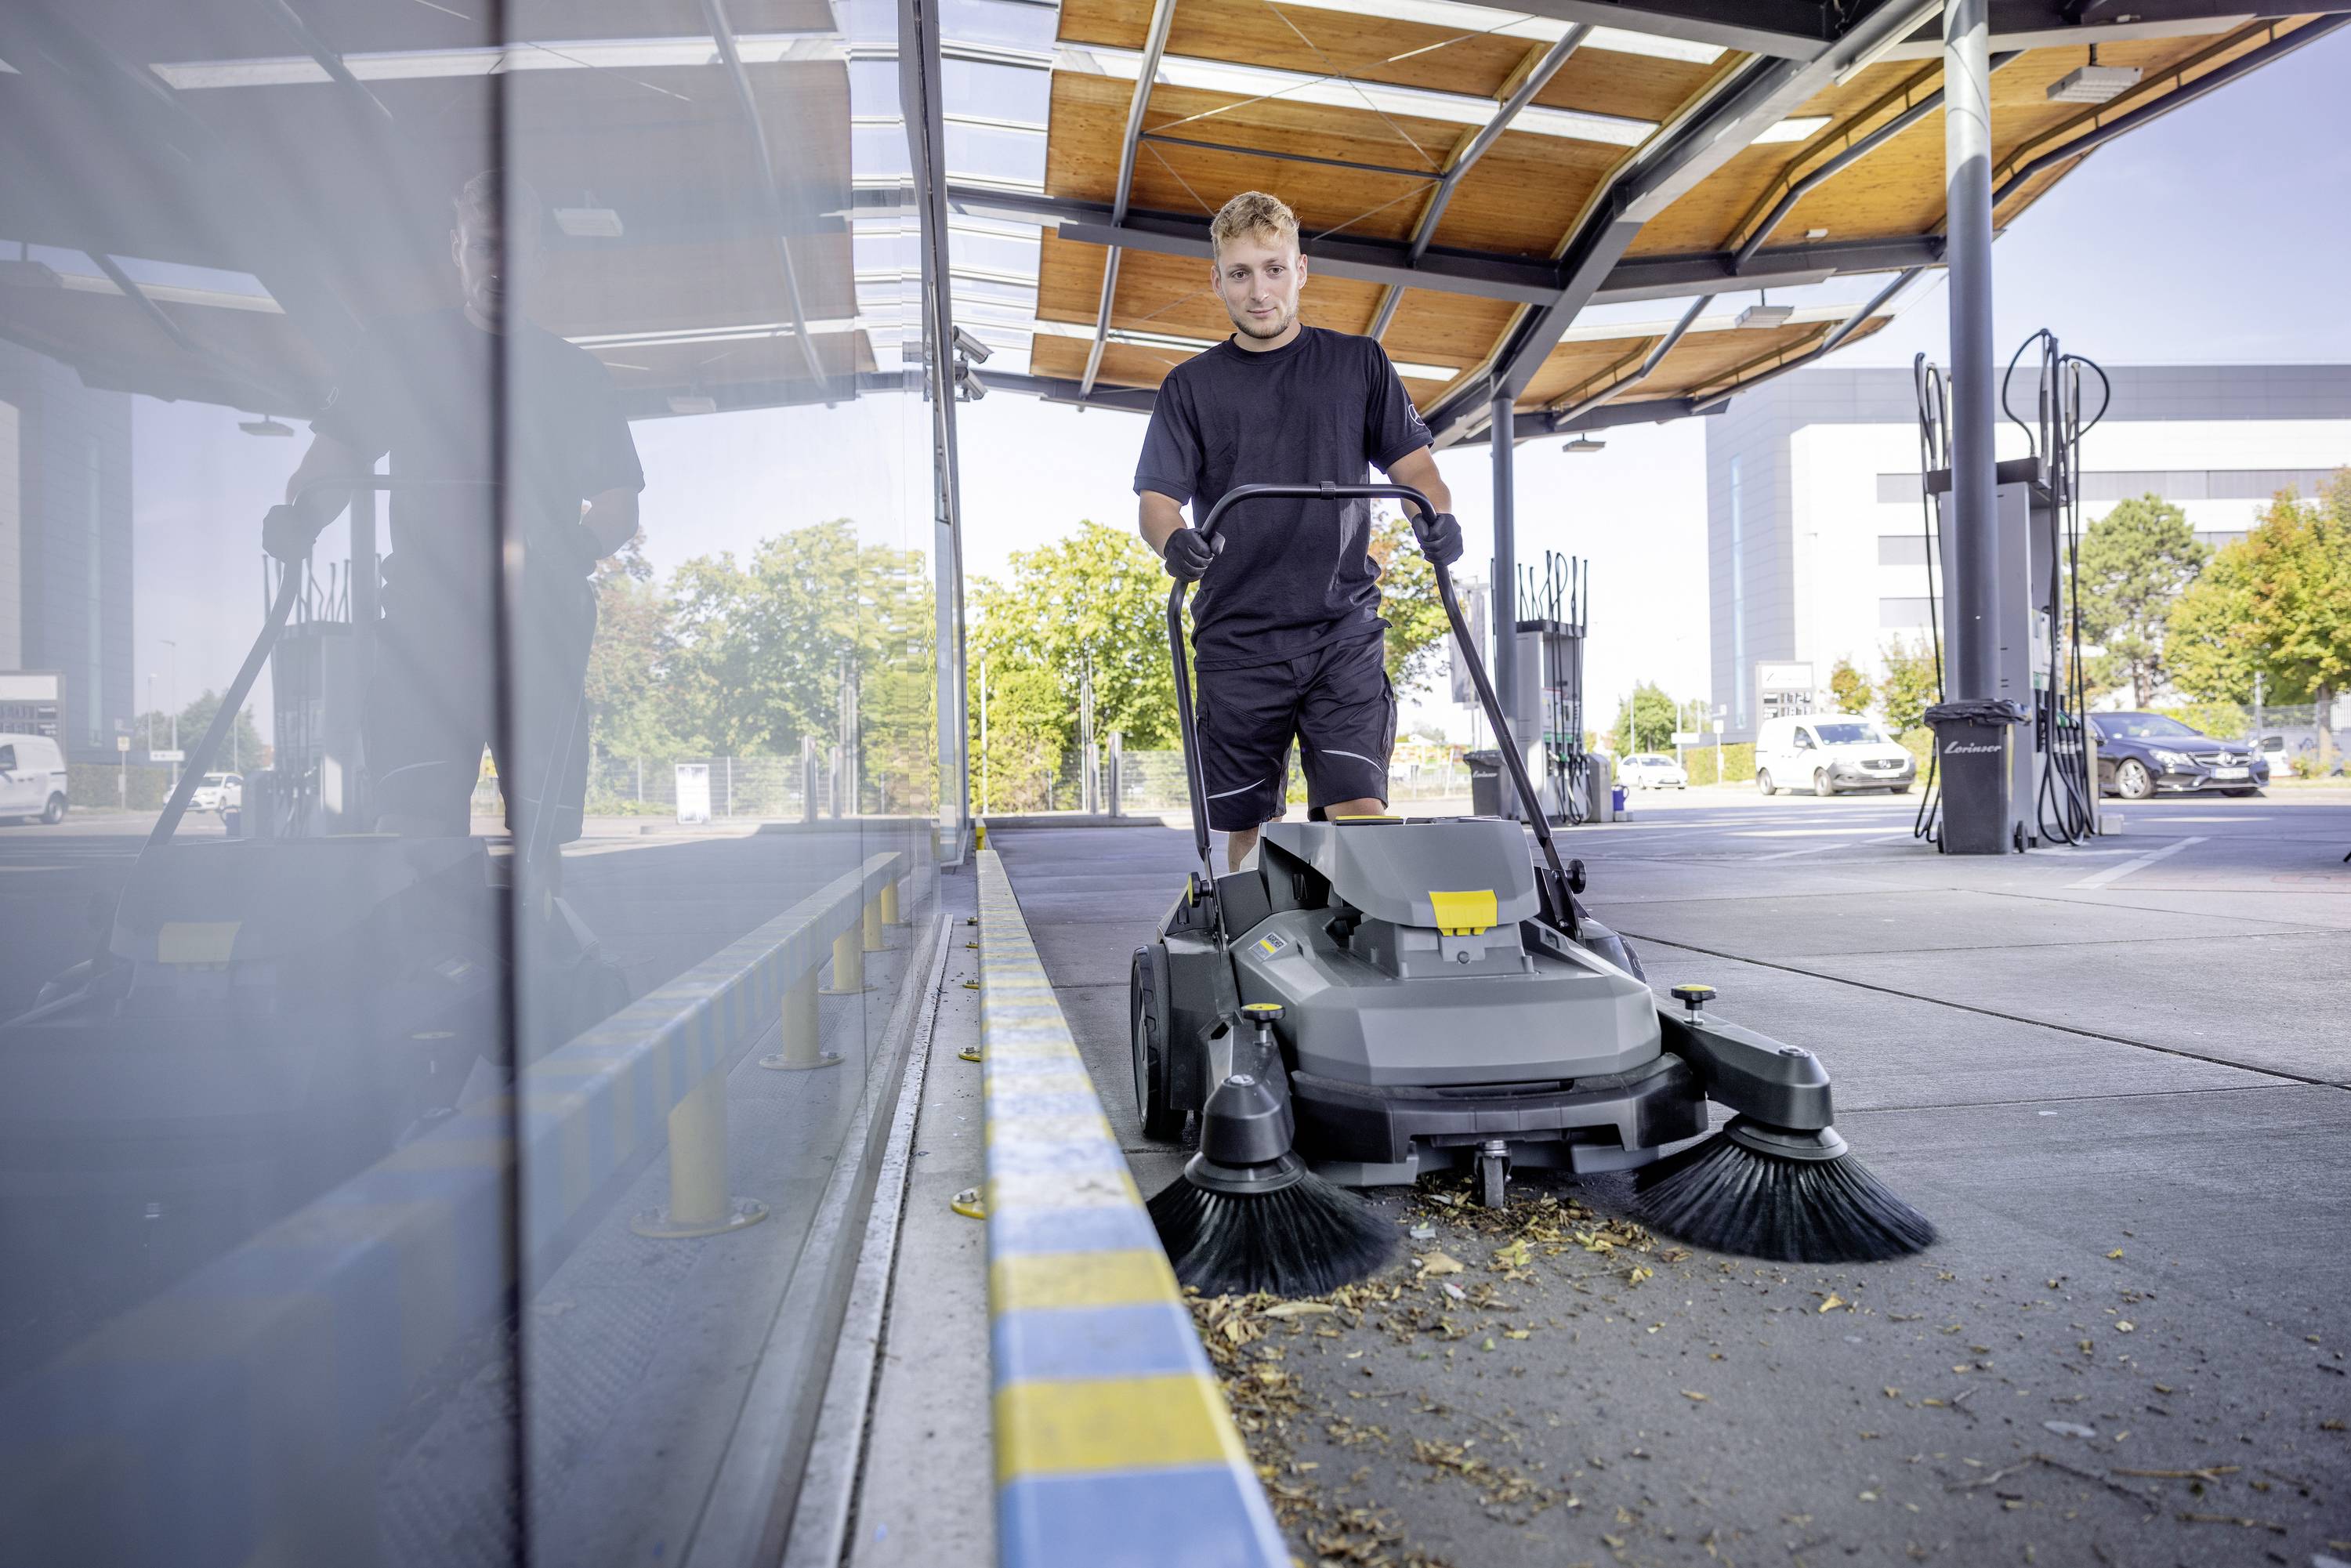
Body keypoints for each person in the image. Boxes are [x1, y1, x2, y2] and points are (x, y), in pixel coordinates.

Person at [267, 168, 643, 861]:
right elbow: (334, 461)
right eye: (482, 248)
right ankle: (425, 959)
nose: (497, 267)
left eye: (515, 251)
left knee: (541, 840)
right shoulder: (397, 356)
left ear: (539, 258)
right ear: (456, 248)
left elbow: (620, 503)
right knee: (412, 828)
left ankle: (540, 961)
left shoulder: (575, 375)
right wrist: (300, 517)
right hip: (424, 633)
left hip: (541, 632)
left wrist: (575, 547)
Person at [1134, 190, 1461, 871]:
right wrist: (1175, 543)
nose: (1260, 291)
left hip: (1340, 628)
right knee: (1252, 829)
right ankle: (1258, 960)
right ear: (1216, 279)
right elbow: (1158, 502)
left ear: (1302, 269)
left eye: (1274, 269)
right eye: (1242, 273)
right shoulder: (1189, 387)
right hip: (1238, 637)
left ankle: (1367, 957)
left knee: (1358, 810)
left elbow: (1417, 469)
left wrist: (1438, 516)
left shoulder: (1358, 365)